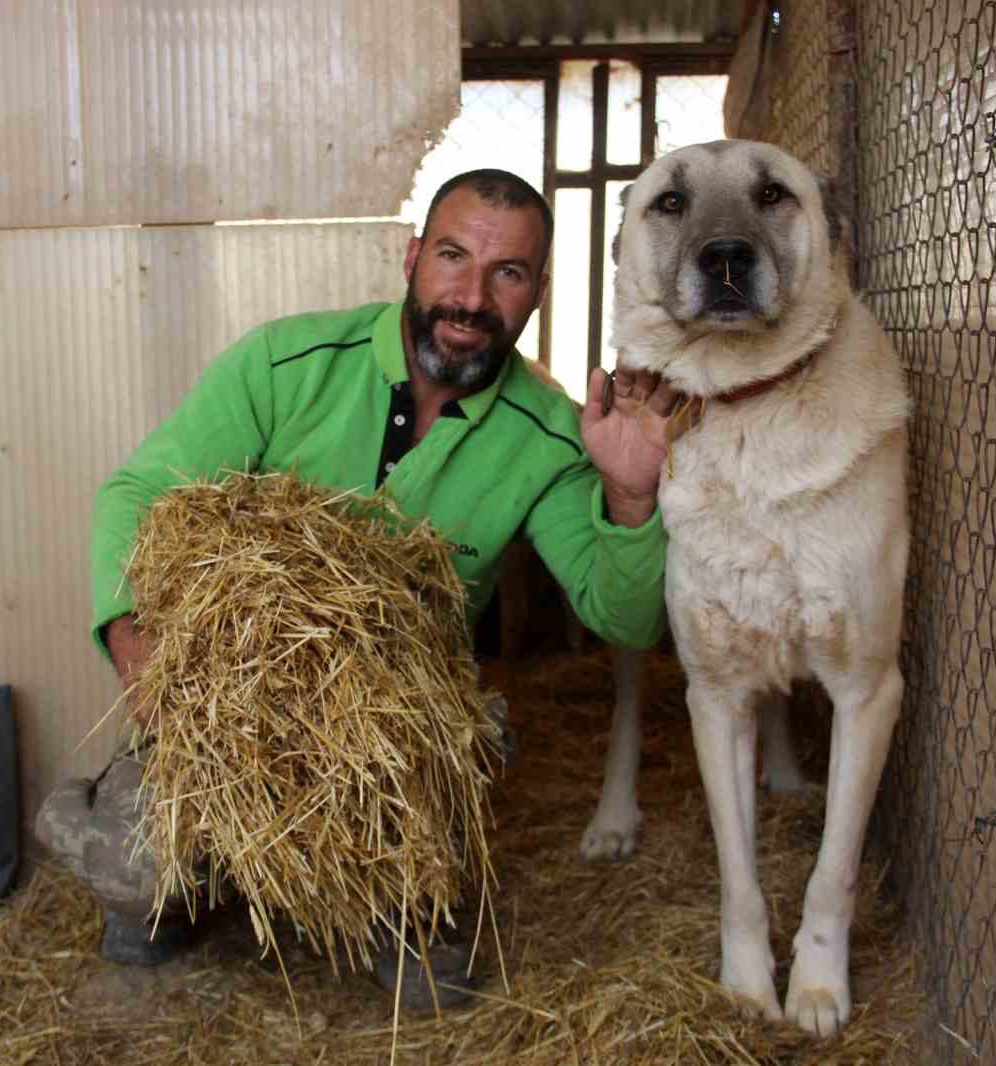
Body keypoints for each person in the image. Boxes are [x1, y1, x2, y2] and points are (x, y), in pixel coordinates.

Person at [36, 169, 679, 1008]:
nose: (471, 296)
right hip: (235, 714)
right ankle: (124, 836)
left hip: (393, 744)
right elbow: (136, 493)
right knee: (137, 878)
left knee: (427, 970)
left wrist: (631, 497)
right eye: (452, 257)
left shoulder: (552, 434)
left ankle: (379, 900)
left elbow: (622, 617)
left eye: (507, 273)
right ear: (411, 257)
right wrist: (139, 651)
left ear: (537, 292)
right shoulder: (285, 363)